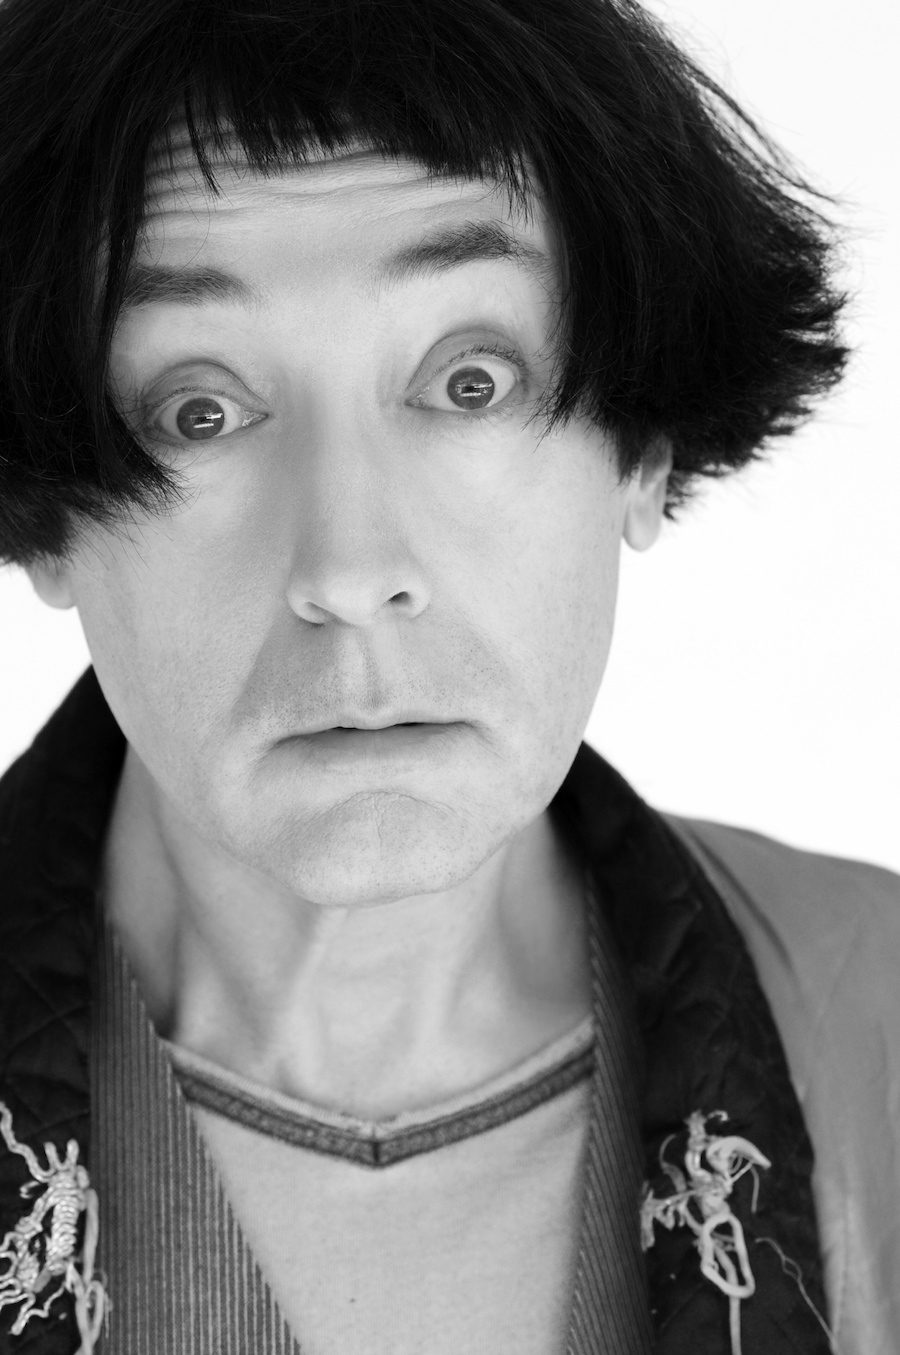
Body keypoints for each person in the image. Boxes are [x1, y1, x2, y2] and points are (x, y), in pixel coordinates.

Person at [0, 0, 896, 1351]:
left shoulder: (878, 1015)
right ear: (47, 515)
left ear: (640, 450)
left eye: (469, 382)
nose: (351, 568)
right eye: (200, 411)